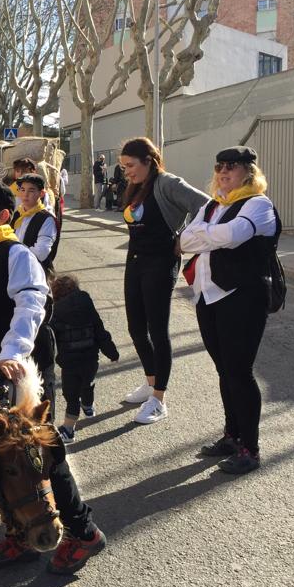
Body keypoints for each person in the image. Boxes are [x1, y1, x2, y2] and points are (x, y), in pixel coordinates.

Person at [0, 179, 106, 575]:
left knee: (44, 456)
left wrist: (12, 353)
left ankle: (84, 533)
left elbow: (31, 303)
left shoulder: (16, 254)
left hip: (22, 368)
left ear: (1, 216)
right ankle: (20, 533)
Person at [179, 147, 279, 475]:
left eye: (231, 167)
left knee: (240, 373)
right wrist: (210, 237)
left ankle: (250, 448)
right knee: (225, 371)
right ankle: (232, 436)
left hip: (243, 297)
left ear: (248, 173)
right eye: (219, 166)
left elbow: (235, 236)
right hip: (208, 296)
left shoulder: (257, 204)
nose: (223, 172)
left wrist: (203, 236)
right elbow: (182, 242)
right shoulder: (213, 205)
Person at [117, 138, 209, 425]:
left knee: (157, 330)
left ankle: (159, 399)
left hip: (160, 263)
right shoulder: (135, 186)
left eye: (130, 165)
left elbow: (206, 206)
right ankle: (150, 380)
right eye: (123, 167)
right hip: (135, 262)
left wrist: (186, 236)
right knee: (135, 328)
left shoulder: (168, 183)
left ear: (148, 160)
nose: (127, 172)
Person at [49, 274, 119, 443]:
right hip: (90, 360)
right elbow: (100, 331)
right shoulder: (88, 306)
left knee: (71, 397)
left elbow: (51, 339)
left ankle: (68, 430)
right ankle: (88, 407)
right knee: (88, 384)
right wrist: (112, 352)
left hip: (70, 364)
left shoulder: (55, 312)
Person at [10, 173, 59, 271]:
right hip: (15, 267)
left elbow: (41, 253)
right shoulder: (17, 214)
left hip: (36, 271)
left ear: (41, 193)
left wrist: (12, 254)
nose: (25, 194)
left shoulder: (46, 219)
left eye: (31, 190)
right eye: (22, 190)